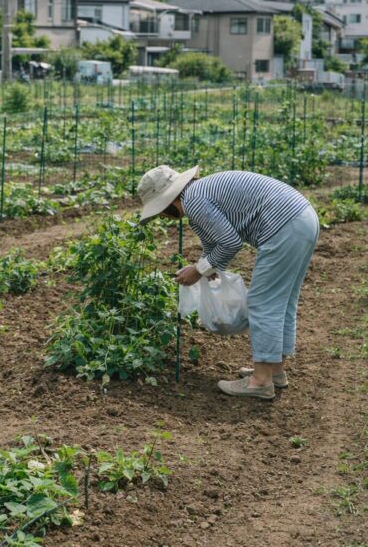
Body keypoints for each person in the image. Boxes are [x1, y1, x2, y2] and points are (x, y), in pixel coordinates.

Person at [137, 166, 319, 400]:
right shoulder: (199, 193)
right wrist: (205, 268)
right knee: (282, 301)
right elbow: (213, 243)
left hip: (284, 226)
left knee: (263, 303)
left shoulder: (193, 201)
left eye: (162, 211)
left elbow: (230, 243)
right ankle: (274, 371)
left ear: (170, 200)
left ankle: (260, 382)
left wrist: (199, 270)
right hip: (301, 220)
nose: (163, 217)